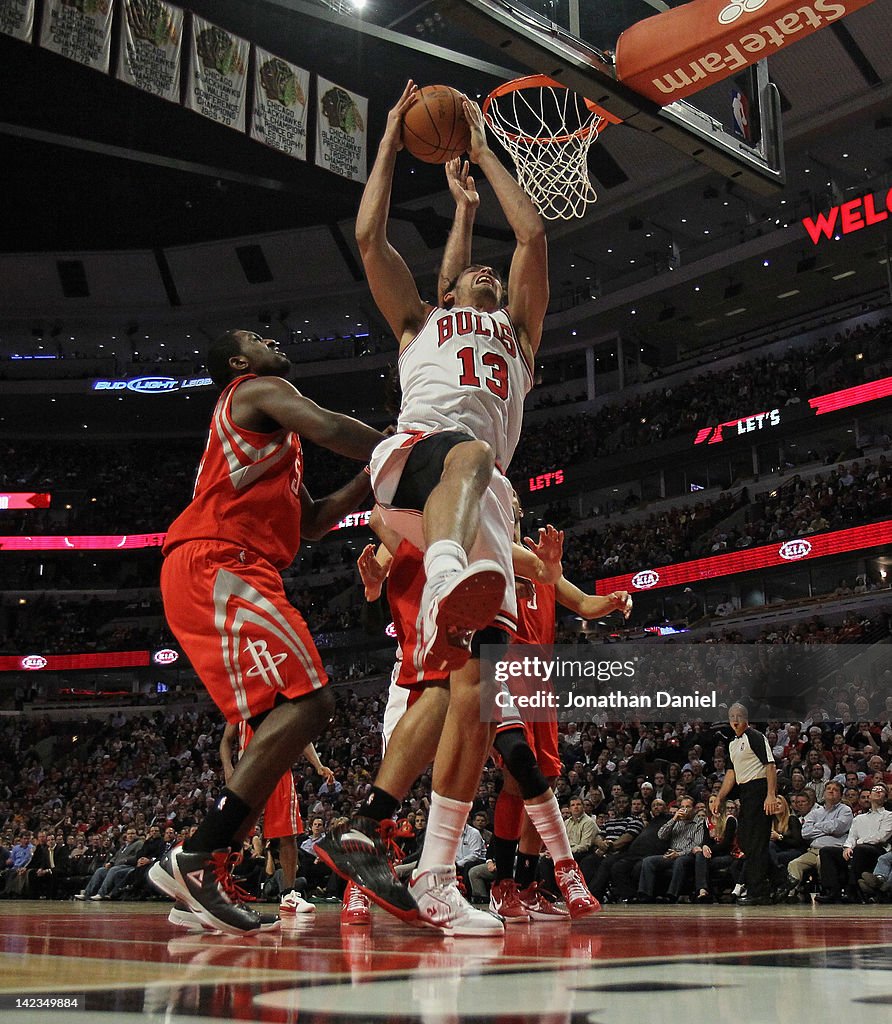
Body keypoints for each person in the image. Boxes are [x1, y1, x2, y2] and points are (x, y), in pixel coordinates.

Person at [320, 80, 550, 934]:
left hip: (482, 495)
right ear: (450, 293)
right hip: (418, 467)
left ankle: (413, 856)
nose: (489, 270)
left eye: (492, 274)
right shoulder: (420, 322)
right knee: (467, 452)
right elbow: (369, 236)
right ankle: (448, 568)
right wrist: (388, 137)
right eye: (471, 271)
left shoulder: (521, 338)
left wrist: (483, 149)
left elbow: (531, 232)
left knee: (473, 691)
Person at [149, 328, 383, 934]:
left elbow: (311, 523)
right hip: (220, 560)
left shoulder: (275, 444)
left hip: (235, 566)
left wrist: (368, 482)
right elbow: (331, 426)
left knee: (290, 712)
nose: (271, 340)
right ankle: (197, 858)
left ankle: (203, 874)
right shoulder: (255, 390)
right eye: (255, 337)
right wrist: (403, 448)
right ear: (236, 362)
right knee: (310, 701)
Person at [220, 721, 328, 916]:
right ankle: (218, 890)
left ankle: (288, 895)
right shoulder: (243, 700)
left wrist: (318, 765)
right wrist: (228, 769)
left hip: (279, 768)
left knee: (288, 834)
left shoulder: (282, 699)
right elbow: (226, 740)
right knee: (234, 833)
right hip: (249, 768)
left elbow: (300, 734)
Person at [716, 703, 778, 905]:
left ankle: (759, 891)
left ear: (746, 718)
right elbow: (731, 774)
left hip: (760, 789)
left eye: (739, 716)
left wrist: (770, 795)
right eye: (732, 716)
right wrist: (720, 797)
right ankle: (779, 879)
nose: (735, 720)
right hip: (746, 792)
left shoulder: (755, 736)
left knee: (757, 843)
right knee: (745, 840)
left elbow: (770, 765)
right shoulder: (733, 744)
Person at [816, 782, 892, 903]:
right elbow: (851, 836)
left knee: (860, 849)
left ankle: (852, 889)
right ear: (870, 796)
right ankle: (833, 891)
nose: (877, 791)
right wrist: (847, 847)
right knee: (826, 851)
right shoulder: (859, 818)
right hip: (857, 849)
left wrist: (857, 844)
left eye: (881, 790)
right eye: (875, 789)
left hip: (877, 851)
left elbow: (881, 837)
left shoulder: (889, 816)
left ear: (886, 798)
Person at [635, 797, 704, 903]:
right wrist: (673, 820)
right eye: (682, 807)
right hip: (671, 854)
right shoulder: (676, 821)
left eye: (688, 807)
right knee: (648, 861)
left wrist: (679, 854)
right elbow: (661, 835)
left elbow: (696, 845)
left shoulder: (699, 823)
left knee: (680, 861)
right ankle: (645, 895)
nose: (684, 809)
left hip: (688, 856)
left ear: (694, 809)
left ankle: (672, 895)